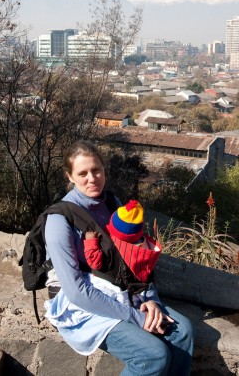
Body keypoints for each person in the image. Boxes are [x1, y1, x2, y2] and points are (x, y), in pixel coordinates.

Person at [44, 139, 194, 375]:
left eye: (97, 170)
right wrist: (136, 317)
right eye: (82, 173)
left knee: (183, 331)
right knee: (153, 355)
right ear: (70, 176)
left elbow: (137, 257)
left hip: (123, 290)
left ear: (104, 169)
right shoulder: (59, 220)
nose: (92, 178)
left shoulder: (113, 204)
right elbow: (75, 290)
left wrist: (150, 298)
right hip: (84, 304)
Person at [84, 199, 163, 305]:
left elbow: (95, 263)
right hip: (138, 292)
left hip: (112, 293)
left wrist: (91, 242)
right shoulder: (146, 248)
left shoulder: (110, 247)